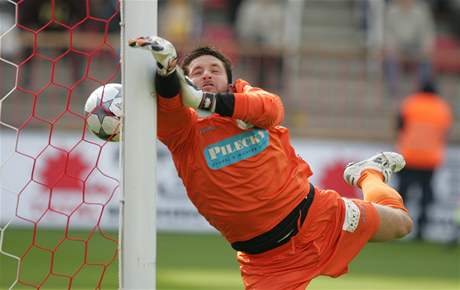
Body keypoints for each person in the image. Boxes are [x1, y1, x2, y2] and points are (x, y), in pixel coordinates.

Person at [129, 36, 413, 289]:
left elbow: (271, 108)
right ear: (187, 81)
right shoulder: (184, 132)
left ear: (230, 81)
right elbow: (168, 108)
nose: (206, 75)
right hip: (267, 263)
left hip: (319, 217)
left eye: (215, 70)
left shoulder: (249, 104)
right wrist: (167, 70)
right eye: (197, 72)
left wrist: (204, 100)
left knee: (401, 224)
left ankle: (368, 173)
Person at [396, 80, 453, 240]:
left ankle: (395, 228)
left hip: (408, 156)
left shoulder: (410, 103)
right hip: (430, 159)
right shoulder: (442, 108)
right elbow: (444, 132)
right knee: (426, 195)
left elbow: (400, 126)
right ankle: (421, 230)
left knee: (401, 195)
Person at [383, 0, 436, 98]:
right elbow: (388, 33)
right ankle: (393, 90)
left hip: (416, 46)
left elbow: (427, 32)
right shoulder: (392, 10)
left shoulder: (421, 10)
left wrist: (426, 47)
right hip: (398, 46)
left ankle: (423, 90)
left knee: (427, 59)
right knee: (390, 57)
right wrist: (392, 47)